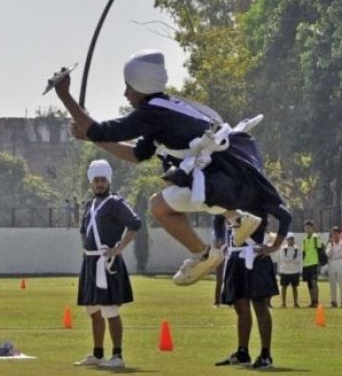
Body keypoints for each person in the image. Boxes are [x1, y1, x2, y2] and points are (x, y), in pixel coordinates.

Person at [51, 50, 284, 287]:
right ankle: (236, 218)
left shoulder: (153, 113)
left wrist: (65, 96)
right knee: (173, 189)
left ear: (141, 86)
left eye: (129, 87)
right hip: (227, 178)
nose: (125, 94)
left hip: (220, 182)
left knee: (158, 206)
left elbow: (102, 131)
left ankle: (205, 254)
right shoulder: (169, 106)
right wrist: (91, 137)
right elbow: (137, 154)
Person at [213, 179, 292, 369]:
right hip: (235, 255)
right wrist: (221, 240)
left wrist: (274, 246)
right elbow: (217, 218)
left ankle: (265, 354)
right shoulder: (228, 196)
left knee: (260, 305)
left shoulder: (259, 195)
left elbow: (285, 217)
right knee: (240, 306)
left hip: (255, 255)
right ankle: (242, 352)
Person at [73, 160, 141, 369]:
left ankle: (117, 356)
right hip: (90, 262)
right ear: (91, 182)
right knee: (93, 309)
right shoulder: (89, 205)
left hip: (106, 262)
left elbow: (135, 223)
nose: (100, 183)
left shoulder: (115, 203)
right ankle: (98, 354)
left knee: (110, 310)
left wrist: (118, 248)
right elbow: (83, 230)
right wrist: (86, 248)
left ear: (109, 181)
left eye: (103, 180)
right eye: (96, 180)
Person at [300, 220, 323, 308]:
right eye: (306, 227)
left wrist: (320, 263)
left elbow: (320, 250)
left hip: (314, 263)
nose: (307, 229)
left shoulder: (316, 237)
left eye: (309, 227)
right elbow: (303, 253)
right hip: (306, 264)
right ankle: (312, 301)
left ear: (312, 228)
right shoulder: (304, 240)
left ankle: (316, 301)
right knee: (309, 283)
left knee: (314, 282)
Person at [278, 236, 301, 308]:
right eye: (289, 239)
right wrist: (292, 258)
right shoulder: (283, 248)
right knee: (284, 287)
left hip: (295, 271)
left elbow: (298, 260)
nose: (290, 241)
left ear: (294, 240)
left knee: (295, 287)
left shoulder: (298, 248)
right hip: (284, 271)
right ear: (286, 240)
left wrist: (288, 259)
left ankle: (296, 303)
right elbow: (283, 259)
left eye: (292, 239)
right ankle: (283, 303)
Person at [326, 227, 342, 308]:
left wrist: (335, 255)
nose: (335, 236)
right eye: (333, 234)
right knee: (332, 285)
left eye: (336, 234)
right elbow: (328, 254)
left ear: (340, 234)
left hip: (340, 265)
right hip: (331, 265)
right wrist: (331, 246)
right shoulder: (329, 244)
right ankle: (333, 301)